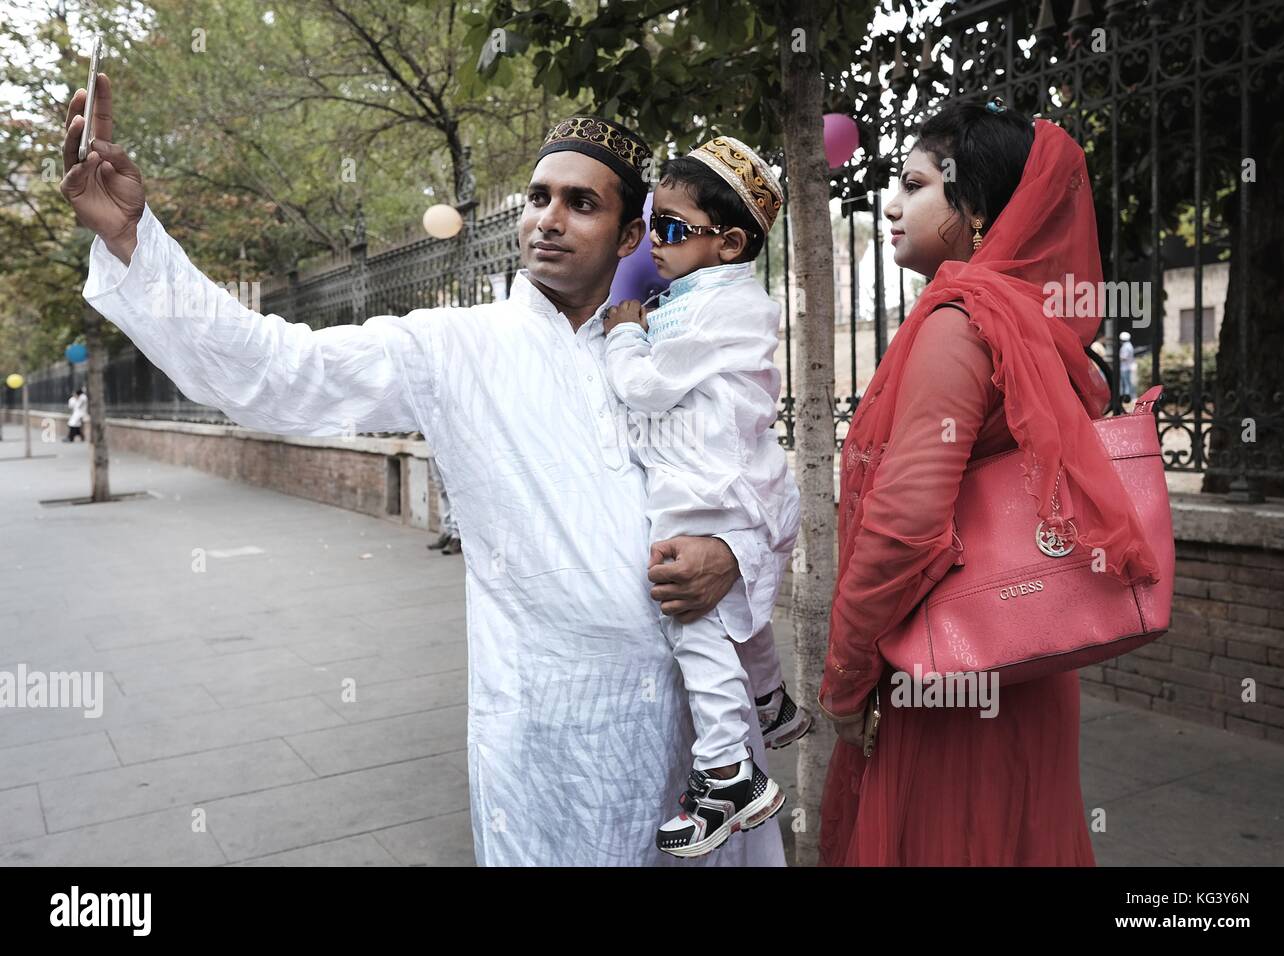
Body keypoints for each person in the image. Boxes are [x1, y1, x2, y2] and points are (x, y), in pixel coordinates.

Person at [61, 77, 792, 866]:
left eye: (581, 203)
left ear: (626, 237)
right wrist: (137, 241)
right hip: (553, 740)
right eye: (538, 197)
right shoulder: (453, 346)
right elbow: (274, 369)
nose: (548, 218)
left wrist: (734, 557)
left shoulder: (667, 343)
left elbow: (764, 481)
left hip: (702, 731)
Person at [817, 100, 1160, 866]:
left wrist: (845, 678)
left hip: (946, 675)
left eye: (915, 184)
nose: (893, 204)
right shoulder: (1036, 319)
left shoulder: (960, 324)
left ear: (973, 208)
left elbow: (905, 525)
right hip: (1027, 662)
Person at [603, 137, 811, 858]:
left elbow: (643, 388)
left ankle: (728, 773)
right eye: (651, 224)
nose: (653, 244)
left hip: (707, 494)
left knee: (695, 626)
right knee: (742, 628)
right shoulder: (725, 297)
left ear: (726, 242)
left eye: (668, 229)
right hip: (742, 483)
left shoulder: (703, 310)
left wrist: (625, 334)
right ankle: (772, 704)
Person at [426, 454, 461, 554]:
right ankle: (449, 532)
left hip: (447, 447)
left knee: (452, 489)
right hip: (432, 445)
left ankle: (456, 536)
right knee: (441, 488)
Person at [1118, 330, 1136, 403]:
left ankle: (1126, 398)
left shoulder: (1125, 347)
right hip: (1127, 367)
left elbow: (1124, 357)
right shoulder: (1130, 345)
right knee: (1127, 382)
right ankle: (1127, 397)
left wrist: (1118, 357)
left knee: (1125, 383)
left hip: (1124, 367)